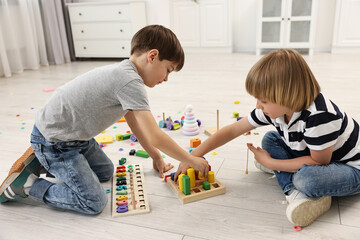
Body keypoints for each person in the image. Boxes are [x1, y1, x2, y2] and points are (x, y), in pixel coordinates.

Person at [0, 25, 209, 214]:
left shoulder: (124, 73)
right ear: (152, 56)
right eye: (168, 70)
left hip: (74, 137)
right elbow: (154, 134)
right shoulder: (129, 82)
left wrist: (155, 156)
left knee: (106, 172)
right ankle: (27, 184)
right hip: (55, 142)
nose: (165, 79)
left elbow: (135, 124)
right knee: (93, 202)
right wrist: (190, 159)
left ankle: (46, 162)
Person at [176, 49, 360, 227]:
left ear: (287, 96)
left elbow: (318, 162)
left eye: (263, 101)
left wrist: (272, 164)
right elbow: (233, 130)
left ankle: (296, 190)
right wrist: (192, 156)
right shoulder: (276, 109)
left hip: (349, 167)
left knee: (306, 180)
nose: (258, 105)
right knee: (270, 139)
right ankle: (294, 185)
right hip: (316, 156)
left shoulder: (320, 116)